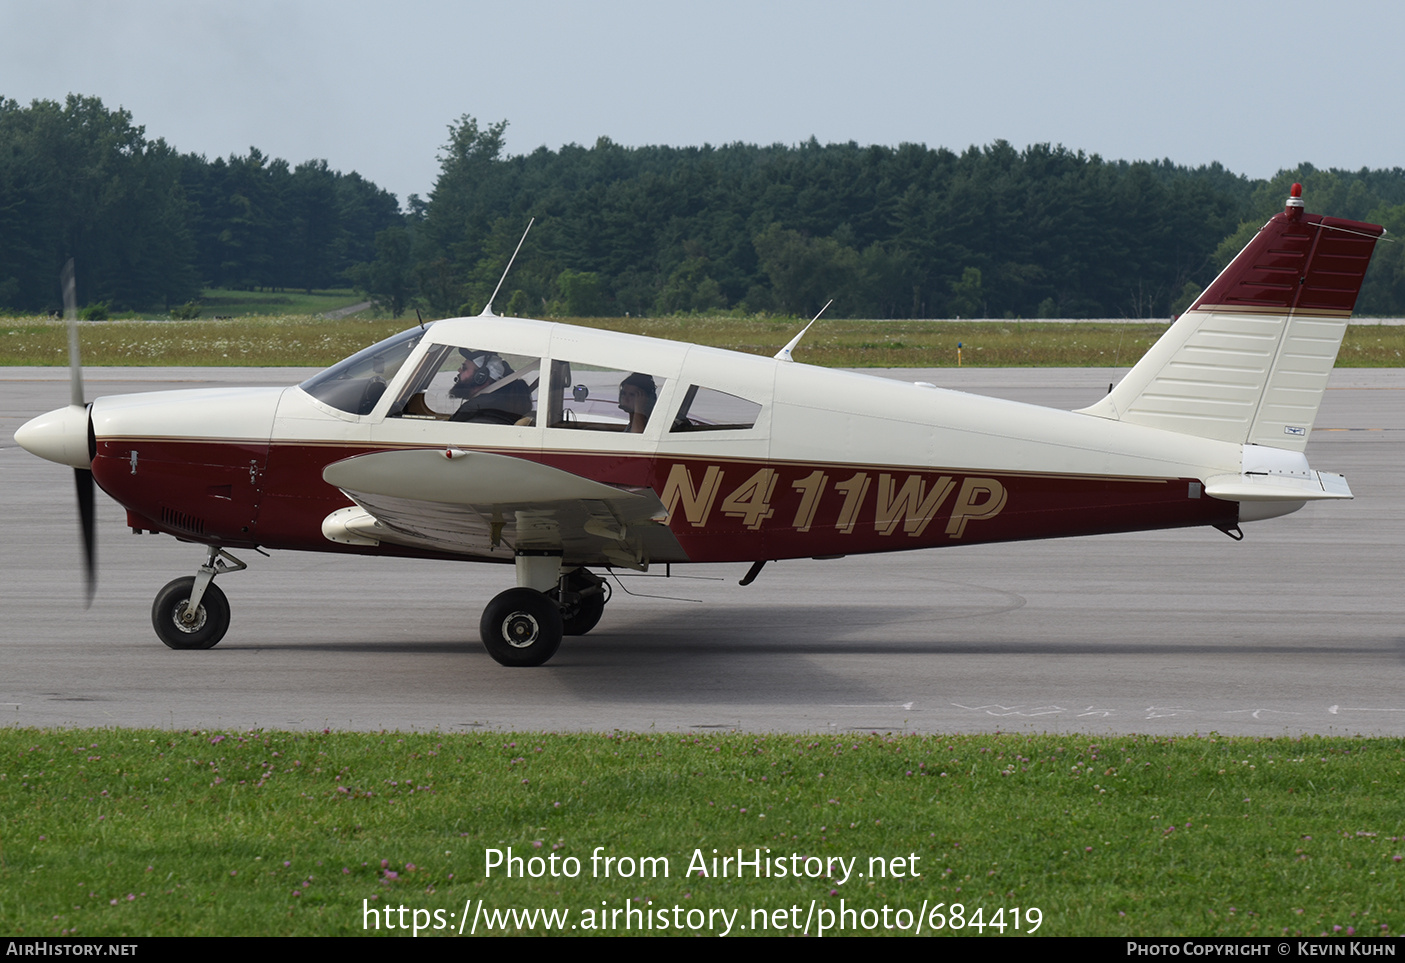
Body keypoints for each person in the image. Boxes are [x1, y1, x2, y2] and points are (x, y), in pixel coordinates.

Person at [449, 349, 533, 424]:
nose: (459, 370)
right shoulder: (493, 409)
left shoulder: (480, 418)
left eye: (464, 368)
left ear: (480, 377)